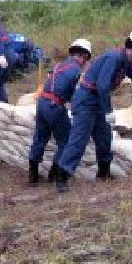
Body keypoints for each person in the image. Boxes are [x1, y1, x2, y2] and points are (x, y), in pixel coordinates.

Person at [55, 28, 132, 193]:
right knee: (79, 140)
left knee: (104, 138)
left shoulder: (125, 62)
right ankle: (62, 177)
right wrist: (108, 111)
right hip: (86, 101)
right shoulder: (114, 58)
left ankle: (103, 173)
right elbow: (103, 86)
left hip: (97, 101)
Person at [27, 38, 92, 185]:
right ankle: (54, 174)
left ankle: (33, 177)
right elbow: (77, 95)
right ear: (83, 56)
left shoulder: (60, 65)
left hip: (42, 103)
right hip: (54, 106)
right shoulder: (77, 71)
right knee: (67, 141)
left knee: (40, 139)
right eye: (86, 58)